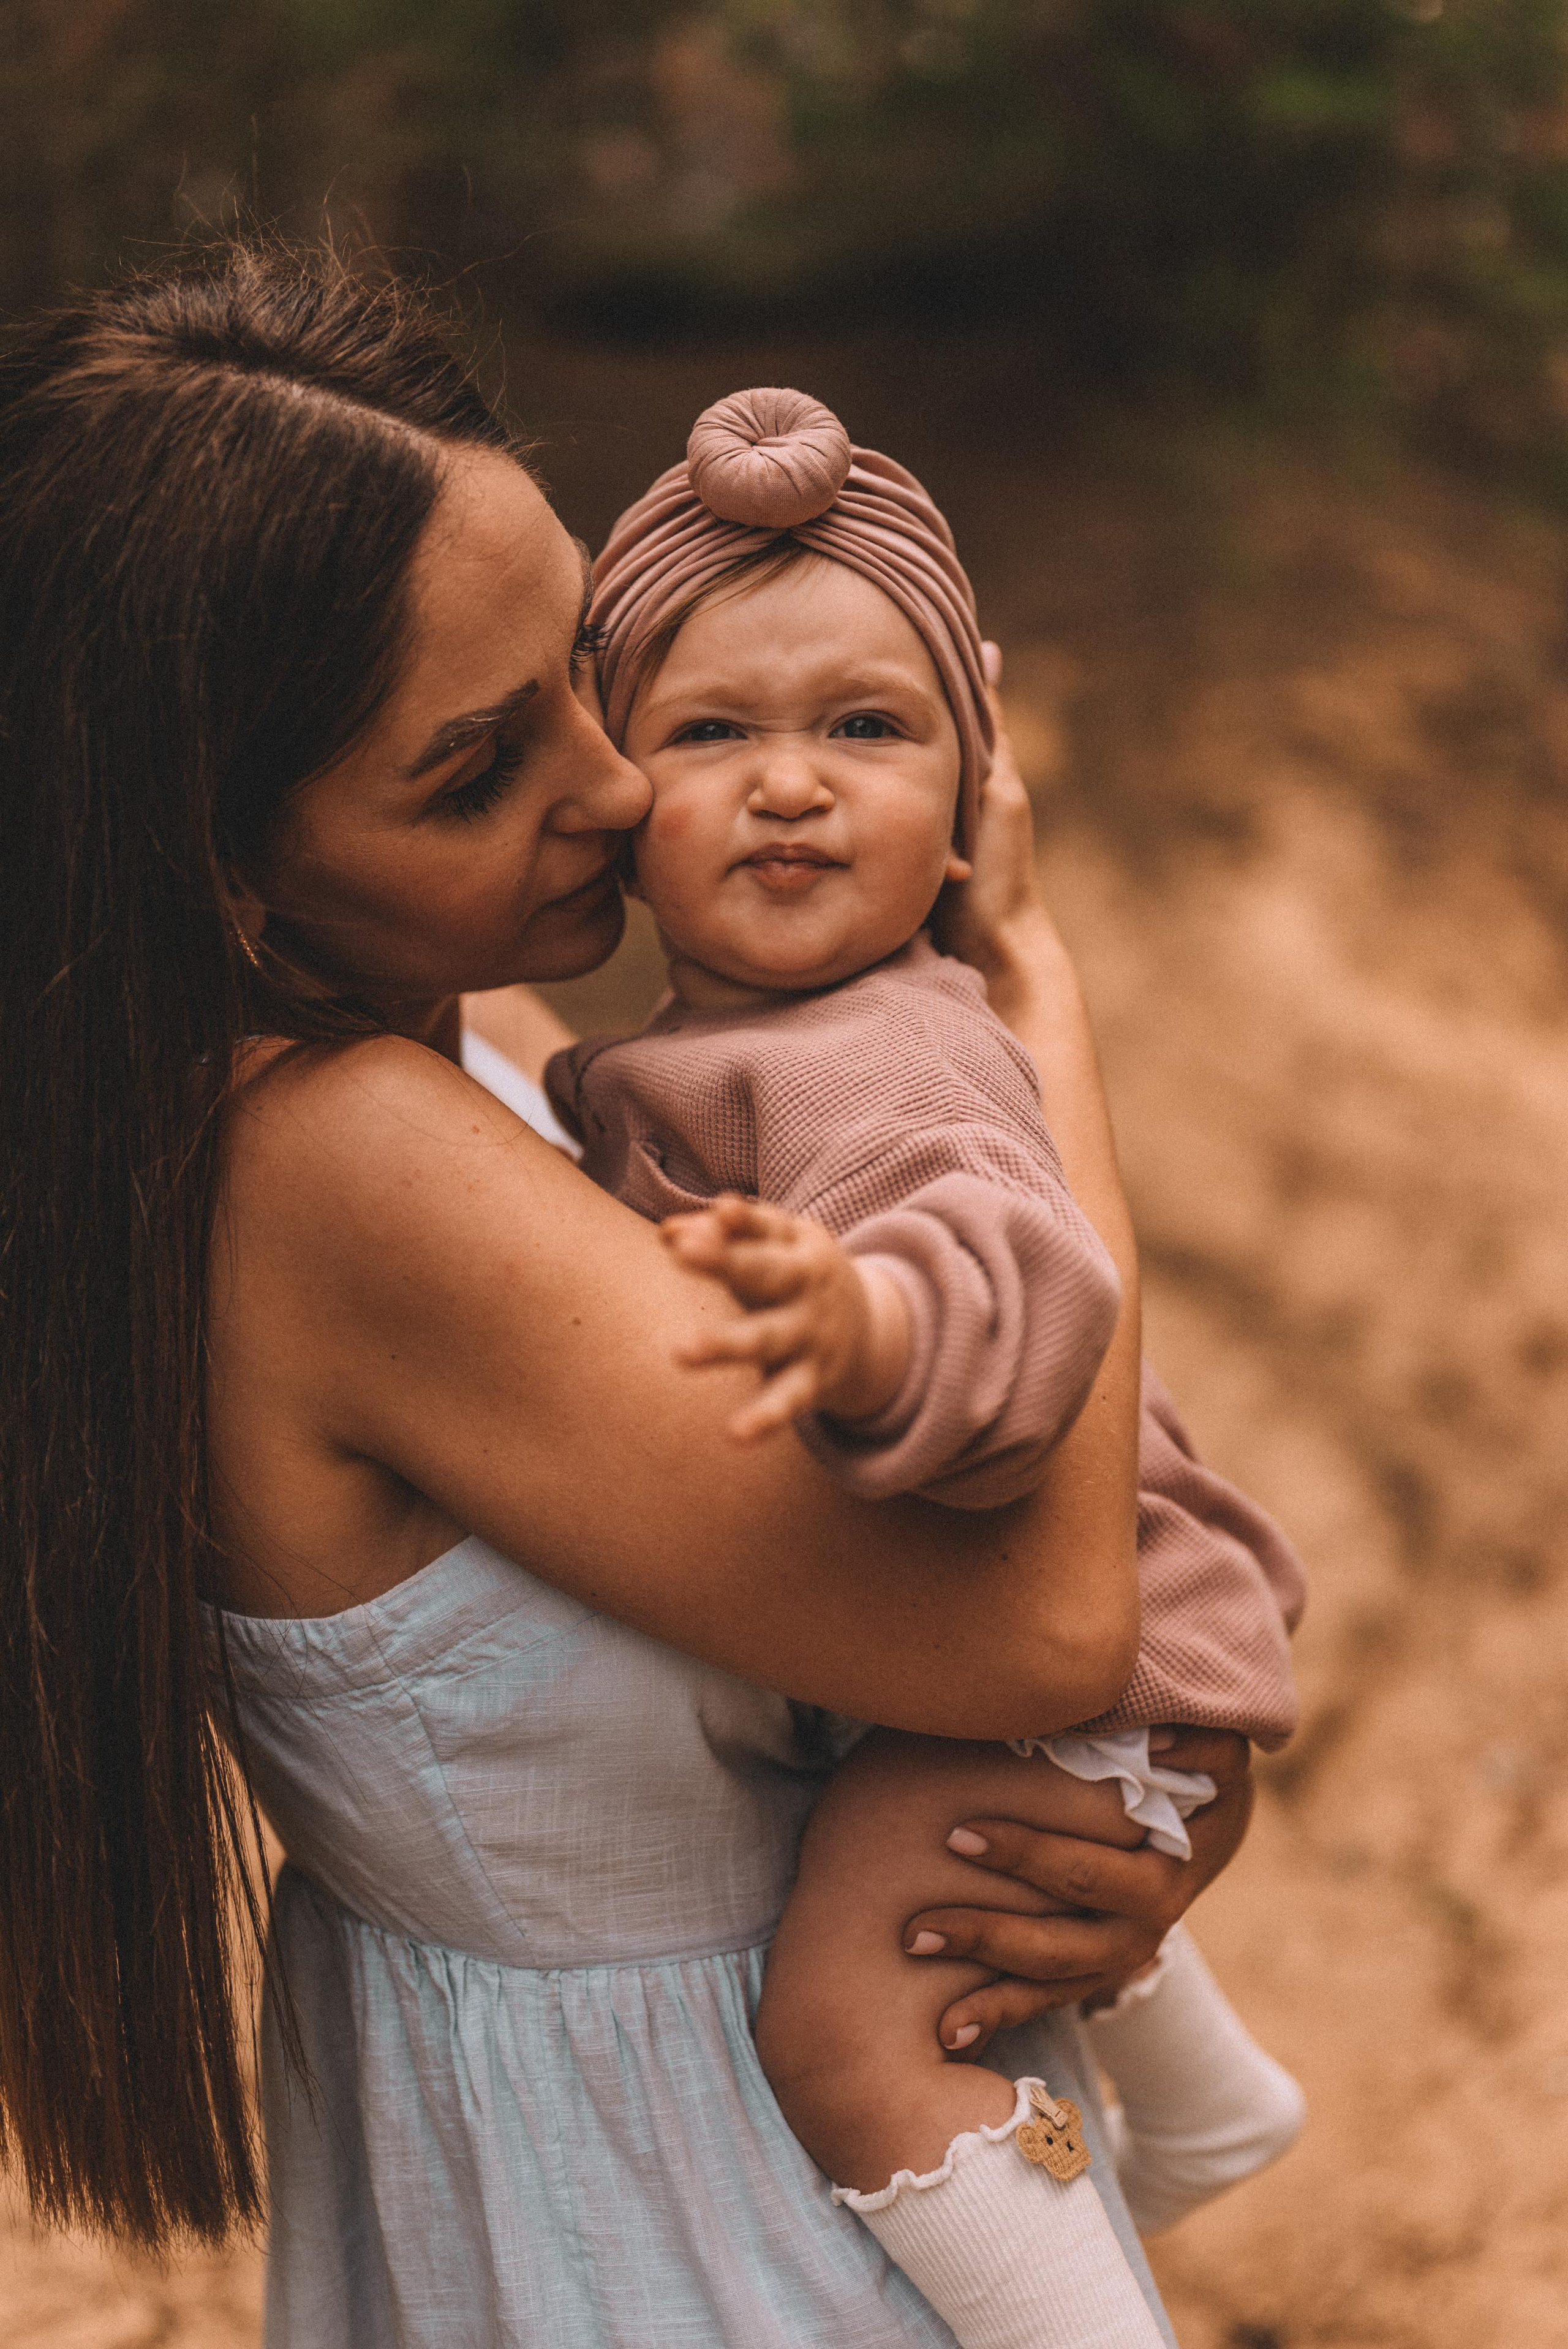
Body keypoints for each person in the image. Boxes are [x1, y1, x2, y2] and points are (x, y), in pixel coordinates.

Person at [0, 241, 1248, 2348]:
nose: (609, 785)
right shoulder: (336, 1167)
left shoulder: (418, 1052)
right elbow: (1047, 1620)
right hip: (695, 2211)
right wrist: (1033, 1022)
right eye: (476, 766)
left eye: (586, 670)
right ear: (216, 866)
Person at [544, 388, 1307, 2348]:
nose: (789, 783)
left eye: (865, 728)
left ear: (976, 790)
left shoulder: (893, 1055)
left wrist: (855, 1320)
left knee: (848, 2027)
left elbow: (1011, 1280)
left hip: (1087, 1683)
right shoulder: (715, 1051)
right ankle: (1211, 2100)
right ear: (611, 787)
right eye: (712, 732)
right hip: (1056, 1655)